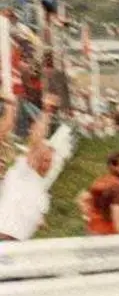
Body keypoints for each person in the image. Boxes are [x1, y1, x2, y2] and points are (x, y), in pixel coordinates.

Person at [0, 93, 57, 242]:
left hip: (18, 243)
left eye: (49, 161)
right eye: (44, 159)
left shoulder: (40, 189)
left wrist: (38, 219)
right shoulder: (23, 172)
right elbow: (36, 140)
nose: (47, 164)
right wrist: (46, 112)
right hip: (5, 238)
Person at [77, 150, 119, 235]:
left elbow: (82, 198)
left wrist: (88, 218)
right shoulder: (117, 187)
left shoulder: (100, 181)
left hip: (93, 233)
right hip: (110, 236)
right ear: (114, 167)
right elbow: (117, 216)